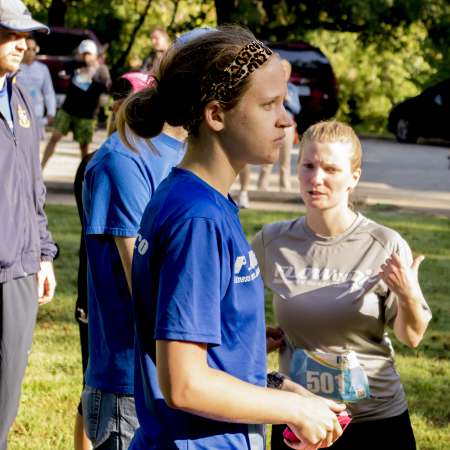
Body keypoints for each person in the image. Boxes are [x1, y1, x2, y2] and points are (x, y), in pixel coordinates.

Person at [117, 25, 345, 450]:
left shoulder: (197, 199)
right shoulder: (197, 218)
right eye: (268, 105)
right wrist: (296, 411)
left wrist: (277, 385)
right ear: (216, 115)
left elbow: (205, 349)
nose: (286, 119)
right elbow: (184, 383)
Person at [251, 120, 432, 450]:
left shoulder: (384, 244)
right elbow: (230, 313)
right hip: (300, 418)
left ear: (354, 177)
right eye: (308, 165)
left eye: (331, 169)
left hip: (375, 420)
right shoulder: (271, 242)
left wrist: (408, 295)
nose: (316, 179)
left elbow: (412, 336)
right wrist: (254, 339)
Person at [80, 67, 187, 449]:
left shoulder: (187, 155)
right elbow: (142, 285)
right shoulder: (122, 160)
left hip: (182, 377)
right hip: (131, 384)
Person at [0, 1, 58, 449]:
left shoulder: (19, 97)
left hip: (18, 269)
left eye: (25, 34)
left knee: (6, 393)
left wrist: (42, 253)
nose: (23, 43)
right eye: (11, 33)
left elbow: (32, 184)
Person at [238, 59, 300, 208]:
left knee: (284, 159)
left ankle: (285, 188)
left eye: (286, 70)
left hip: (288, 126)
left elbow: (297, 109)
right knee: (267, 159)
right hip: (270, 124)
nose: (283, 72)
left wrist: (288, 100)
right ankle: (261, 188)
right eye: (281, 69)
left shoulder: (292, 89)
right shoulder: (268, 88)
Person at [41, 39, 110, 169]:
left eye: (89, 54)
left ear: (95, 54)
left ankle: (84, 178)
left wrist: (93, 74)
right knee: (54, 137)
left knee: (84, 148)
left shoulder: (102, 70)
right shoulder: (74, 64)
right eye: (83, 53)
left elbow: (106, 89)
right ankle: (41, 169)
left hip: (87, 115)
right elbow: (61, 71)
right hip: (67, 109)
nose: (86, 56)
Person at [17, 36, 56, 139]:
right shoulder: (14, 67)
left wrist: (51, 112)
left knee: (35, 149)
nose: (30, 52)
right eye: (28, 49)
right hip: (18, 114)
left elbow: (48, 92)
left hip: (37, 115)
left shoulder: (42, 69)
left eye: (33, 49)